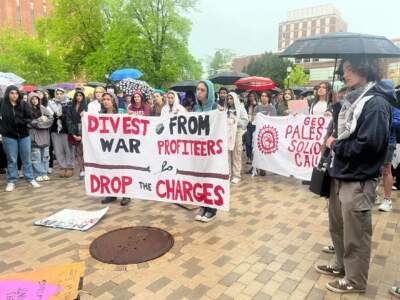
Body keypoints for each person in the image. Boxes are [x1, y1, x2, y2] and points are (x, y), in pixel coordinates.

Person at [315, 56, 392, 294]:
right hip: (341, 174)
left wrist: (335, 144)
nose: (344, 74)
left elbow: (370, 146)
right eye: (344, 69)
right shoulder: (351, 100)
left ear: (364, 69)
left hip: (358, 179)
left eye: (350, 69)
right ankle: (341, 266)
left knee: (356, 233)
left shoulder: (376, 103)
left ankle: (355, 280)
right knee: (338, 227)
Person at [0, 85, 40, 191]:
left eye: (16, 93)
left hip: (23, 135)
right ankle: (11, 180)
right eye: (12, 93)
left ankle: (30, 178)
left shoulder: (23, 104)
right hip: (8, 136)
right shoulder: (2, 104)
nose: (14, 95)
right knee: (12, 159)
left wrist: (22, 122)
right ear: (7, 93)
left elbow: (30, 118)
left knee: (26, 158)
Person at [100, 92, 131, 206]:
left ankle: (126, 194)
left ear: (113, 101)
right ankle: (112, 193)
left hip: (121, 146)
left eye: (108, 99)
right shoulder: (100, 114)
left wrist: (131, 116)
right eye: (104, 99)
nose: (106, 101)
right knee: (110, 169)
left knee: (123, 170)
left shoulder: (121, 112)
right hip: (107, 147)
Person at [193, 80, 218, 222]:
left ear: (209, 92)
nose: (199, 92)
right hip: (198, 151)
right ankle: (202, 205)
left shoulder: (215, 107)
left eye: (202, 90)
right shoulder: (195, 109)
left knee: (210, 179)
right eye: (198, 89)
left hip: (211, 151)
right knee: (200, 179)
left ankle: (212, 209)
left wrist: (221, 114)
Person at [376, 80, 399, 212]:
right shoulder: (376, 104)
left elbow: (398, 122)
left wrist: (383, 120)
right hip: (375, 141)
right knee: (374, 169)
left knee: (386, 169)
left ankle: (387, 199)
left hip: (388, 142)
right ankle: (376, 195)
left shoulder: (393, 107)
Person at [48, 88, 74, 178]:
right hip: (55, 129)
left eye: (61, 93)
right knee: (58, 150)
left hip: (66, 129)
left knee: (68, 149)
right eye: (57, 94)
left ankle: (70, 166)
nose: (59, 95)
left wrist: (62, 115)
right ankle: (62, 166)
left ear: (64, 94)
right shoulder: (50, 104)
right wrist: (53, 115)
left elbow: (71, 116)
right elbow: (48, 115)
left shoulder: (69, 103)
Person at [28, 92, 54, 182]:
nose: (35, 100)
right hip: (34, 136)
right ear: (29, 100)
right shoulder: (27, 109)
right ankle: (37, 174)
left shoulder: (43, 108)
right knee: (36, 156)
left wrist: (41, 124)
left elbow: (51, 118)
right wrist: (38, 121)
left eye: (36, 99)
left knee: (45, 156)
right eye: (32, 99)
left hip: (44, 136)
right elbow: (28, 122)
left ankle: (44, 172)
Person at [252, 91, 277, 176]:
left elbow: (274, 121)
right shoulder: (256, 108)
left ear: (268, 98)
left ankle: (267, 166)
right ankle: (259, 167)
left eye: (266, 96)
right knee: (257, 150)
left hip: (269, 133)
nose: (264, 97)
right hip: (258, 132)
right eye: (262, 96)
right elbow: (253, 120)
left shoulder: (272, 108)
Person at [226, 92, 248, 184]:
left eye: (231, 98)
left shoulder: (241, 109)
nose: (229, 100)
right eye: (228, 99)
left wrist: (235, 120)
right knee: (227, 155)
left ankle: (236, 175)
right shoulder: (225, 109)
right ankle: (228, 174)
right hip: (227, 133)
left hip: (237, 133)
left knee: (236, 154)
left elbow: (245, 122)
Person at [66, 91, 87, 180]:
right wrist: (73, 134)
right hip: (74, 131)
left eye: (80, 95)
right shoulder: (71, 107)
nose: (78, 97)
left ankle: (87, 169)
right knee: (78, 152)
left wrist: (85, 114)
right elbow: (68, 120)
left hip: (85, 132)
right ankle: (82, 170)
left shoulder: (87, 107)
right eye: (77, 95)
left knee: (86, 152)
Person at [244, 91, 258, 164]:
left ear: (255, 97)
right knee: (248, 142)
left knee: (254, 142)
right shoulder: (246, 106)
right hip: (248, 125)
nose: (251, 98)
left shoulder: (258, 106)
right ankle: (249, 157)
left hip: (255, 126)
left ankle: (254, 157)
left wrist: (255, 106)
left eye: (253, 96)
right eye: (250, 96)